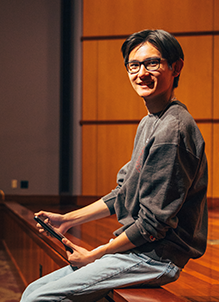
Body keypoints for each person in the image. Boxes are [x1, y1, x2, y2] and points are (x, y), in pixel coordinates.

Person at [20, 29, 208, 302]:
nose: (141, 72)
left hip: (155, 259)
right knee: (31, 291)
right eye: (134, 65)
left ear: (175, 67)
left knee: (38, 299)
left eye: (152, 63)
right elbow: (123, 191)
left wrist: (95, 254)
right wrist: (67, 220)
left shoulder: (173, 130)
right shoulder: (151, 121)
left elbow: (152, 225)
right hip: (138, 252)